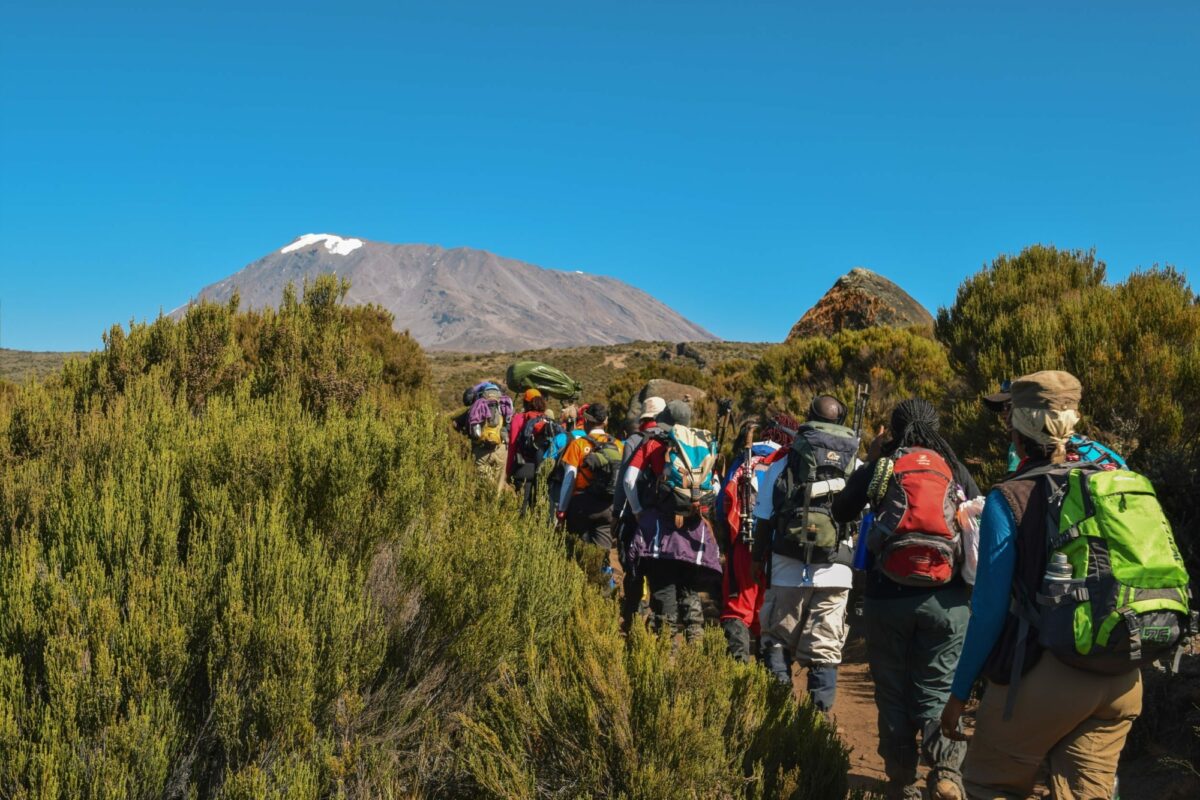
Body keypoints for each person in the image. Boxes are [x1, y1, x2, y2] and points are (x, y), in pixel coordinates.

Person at [940, 371, 1143, 800]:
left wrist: (959, 695)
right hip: (1123, 674)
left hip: (1046, 673)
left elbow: (990, 611)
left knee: (989, 786)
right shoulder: (1116, 477)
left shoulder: (1009, 497)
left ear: (1017, 430)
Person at [832, 398, 980, 800]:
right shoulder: (954, 468)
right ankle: (947, 772)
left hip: (887, 598)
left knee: (893, 690)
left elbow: (841, 509)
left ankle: (902, 780)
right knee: (937, 687)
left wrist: (873, 460)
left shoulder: (885, 465)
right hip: (949, 601)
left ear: (895, 429)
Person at [750, 396, 860, 711]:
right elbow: (864, 515)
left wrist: (758, 561)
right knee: (824, 652)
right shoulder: (855, 461)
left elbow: (765, 518)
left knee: (776, 642)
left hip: (787, 568)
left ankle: (776, 717)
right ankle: (816, 729)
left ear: (808, 418)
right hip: (836, 569)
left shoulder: (785, 459)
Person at [622, 400, 721, 642]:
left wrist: (637, 511)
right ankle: (695, 642)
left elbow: (629, 479)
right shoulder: (700, 447)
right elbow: (715, 487)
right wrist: (694, 503)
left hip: (660, 530)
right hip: (693, 529)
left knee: (663, 586)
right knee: (688, 587)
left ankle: (666, 650)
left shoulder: (654, 443)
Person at [716, 416, 792, 663]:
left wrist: (725, 542)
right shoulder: (789, 460)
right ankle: (767, 676)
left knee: (738, 607)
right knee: (767, 612)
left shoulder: (747, 457)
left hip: (744, 542)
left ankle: (736, 670)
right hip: (779, 549)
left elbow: (722, 503)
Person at [982, 379, 1126, 472]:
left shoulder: (1022, 447)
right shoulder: (1089, 445)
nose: (1003, 414)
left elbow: (1015, 492)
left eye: (1008, 406)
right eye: (1001, 408)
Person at [613, 396, 666, 631]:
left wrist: (621, 512)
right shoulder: (669, 440)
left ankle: (631, 617)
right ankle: (656, 623)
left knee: (634, 568)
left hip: (637, 516)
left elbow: (624, 482)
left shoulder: (634, 440)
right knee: (658, 572)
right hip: (663, 517)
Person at [556, 403, 623, 549]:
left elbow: (569, 480)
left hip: (580, 505)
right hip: (607, 506)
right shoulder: (618, 445)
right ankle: (602, 571)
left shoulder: (578, 444)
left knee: (574, 554)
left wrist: (562, 511)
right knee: (600, 557)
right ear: (605, 422)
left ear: (586, 421)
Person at [508, 389, 557, 513]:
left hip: (524, 468)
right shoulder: (547, 420)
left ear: (526, 403)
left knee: (522, 508)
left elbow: (512, 447)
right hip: (544, 468)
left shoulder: (519, 418)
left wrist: (508, 471)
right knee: (540, 510)